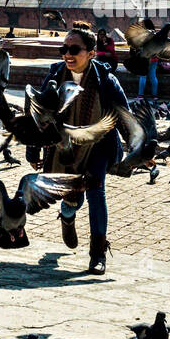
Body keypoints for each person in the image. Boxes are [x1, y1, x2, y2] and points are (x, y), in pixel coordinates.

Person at [38, 28, 130, 275]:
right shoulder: (56, 76)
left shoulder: (106, 81)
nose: (68, 54)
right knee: (73, 199)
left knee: (96, 191)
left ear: (91, 53)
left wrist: (139, 150)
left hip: (98, 144)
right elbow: (39, 115)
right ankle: (67, 215)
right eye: (64, 49)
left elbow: (124, 116)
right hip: (64, 146)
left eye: (74, 49)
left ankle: (98, 254)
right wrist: (33, 149)